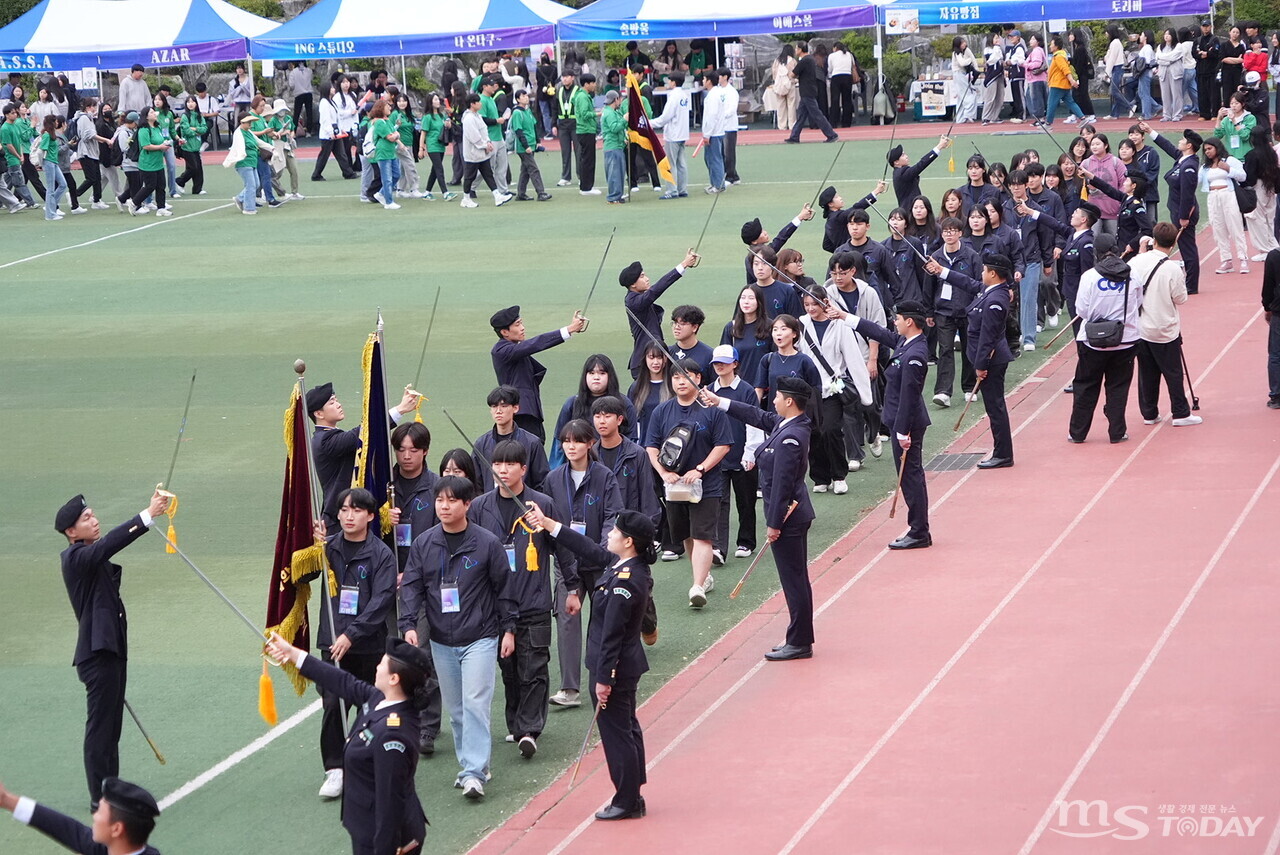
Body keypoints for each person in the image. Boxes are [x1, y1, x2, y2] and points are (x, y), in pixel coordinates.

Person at [524, 504, 653, 820]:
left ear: (629, 541)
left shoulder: (627, 580)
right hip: (621, 665)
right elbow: (588, 549)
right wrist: (550, 524)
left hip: (614, 668)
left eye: (616, 532)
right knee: (626, 727)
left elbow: (612, 635)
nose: (610, 534)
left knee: (617, 733)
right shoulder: (622, 564)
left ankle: (626, 799)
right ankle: (632, 792)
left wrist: (604, 679)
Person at [399, 476, 515, 799]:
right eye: (440, 500)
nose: (444, 506)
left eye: (452, 501)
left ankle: (474, 772)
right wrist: (408, 624)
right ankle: (474, 764)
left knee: (476, 702)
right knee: (457, 708)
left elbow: (504, 588)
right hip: (440, 639)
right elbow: (411, 587)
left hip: (480, 636)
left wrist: (509, 629)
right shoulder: (424, 544)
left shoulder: (487, 543)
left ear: (467, 505)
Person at [55, 488, 171, 808]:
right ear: (70, 532)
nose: (94, 521)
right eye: (86, 518)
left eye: (92, 515)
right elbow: (108, 545)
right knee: (100, 730)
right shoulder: (76, 558)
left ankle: (112, 791)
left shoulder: (90, 557)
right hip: (97, 655)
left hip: (111, 651)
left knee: (111, 729)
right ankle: (100, 799)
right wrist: (147, 516)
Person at [267, 633, 429, 852]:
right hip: (367, 827)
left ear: (394, 679)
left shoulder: (393, 735)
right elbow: (343, 681)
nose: (377, 667)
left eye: (382, 664)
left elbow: (389, 805)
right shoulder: (381, 701)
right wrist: (292, 654)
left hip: (384, 839)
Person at [699, 373, 817, 657]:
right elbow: (756, 415)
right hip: (789, 515)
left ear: (789, 401)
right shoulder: (787, 424)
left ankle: (799, 641)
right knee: (795, 578)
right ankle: (799, 636)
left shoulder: (791, 437)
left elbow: (782, 486)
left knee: (794, 580)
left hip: (787, 517)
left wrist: (773, 524)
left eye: (777, 397)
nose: (773, 400)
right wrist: (720, 402)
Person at [467, 440, 571, 758]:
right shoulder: (480, 507)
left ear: (523, 469)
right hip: (495, 605)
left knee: (534, 665)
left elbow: (561, 547)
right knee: (508, 669)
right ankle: (516, 723)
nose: (502, 470)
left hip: (534, 600)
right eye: (498, 465)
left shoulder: (541, 505)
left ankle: (529, 729)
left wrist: (574, 586)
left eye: (510, 465)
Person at [314, 488, 397, 800]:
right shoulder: (328, 548)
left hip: (366, 645)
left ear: (371, 516)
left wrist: (353, 634)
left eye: (357, 510)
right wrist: (312, 546)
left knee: (369, 706)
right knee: (333, 704)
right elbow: (300, 573)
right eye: (344, 510)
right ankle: (335, 768)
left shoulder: (381, 555)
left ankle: (365, 762)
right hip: (332, 642)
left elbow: (382, 601)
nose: (349, 516)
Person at [544, 419, 623, 707]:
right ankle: (569, 689)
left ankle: (605, 679)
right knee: (566, 621)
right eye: (566, 441)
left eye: (577, 441)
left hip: (599, 563)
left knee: (602, 623)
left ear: (590, 443)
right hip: (566, 562)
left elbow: (614, 515)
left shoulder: (604, 476)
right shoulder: (553, 479)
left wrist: (602, 549)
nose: (570, 446)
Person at [841, 301, 933, 549]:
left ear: (909, 322)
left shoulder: (915, 354)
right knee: (910, 476)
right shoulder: (907, 342)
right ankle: (918, 528)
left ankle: (919, 531)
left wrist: (903, 431)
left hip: (907, 425)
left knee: (910, 477)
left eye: (898, 318)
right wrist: (846, 317)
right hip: (901, 422)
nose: (895, 322)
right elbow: (879, 333)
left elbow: (909, 397)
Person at [645, 359, 732, 606]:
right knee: (687, 534)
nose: (681, 381)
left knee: (703, 535)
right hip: (676, 487)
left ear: (698, 379)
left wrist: (701, 469)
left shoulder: (712, 410)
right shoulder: (661, 412)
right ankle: (703, 576)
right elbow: (651, 447)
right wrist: (664, 473)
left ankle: (697, 586)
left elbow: (723, 445)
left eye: (687, 376)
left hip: (708, 485)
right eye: (676, 377)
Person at [385, 422, 443, 756]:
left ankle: (427, 726)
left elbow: (439, 540)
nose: (406, 456)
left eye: (413, 450)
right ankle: (399, 720)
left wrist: (410, 573)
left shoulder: (436, 488)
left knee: (420, 654)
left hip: (421, 586)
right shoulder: (384, 486)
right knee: (393, 657)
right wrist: (382, 518)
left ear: (424, 451)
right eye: (401, 449)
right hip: (385, 586)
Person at [929, 254, 1016, 466]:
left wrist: (980, 366)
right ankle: (1001, 451)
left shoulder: (996, 299)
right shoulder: (990, 290)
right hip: (988, 358)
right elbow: (968, 283)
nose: (981, 273)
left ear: (993, 274)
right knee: (993, 407)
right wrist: (942, 271)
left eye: (985, 270)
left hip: (991, 361)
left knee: (995, 407)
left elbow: (988, 336)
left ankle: (1003, 454)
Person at [306, 382, 418, 531]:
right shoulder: (325, 441)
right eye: (332, 403)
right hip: (340, 523)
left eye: (337, 400)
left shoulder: (327, 437)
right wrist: (400, 409)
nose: (338, 405)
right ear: (319, 414)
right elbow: (364, 433)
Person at [1068, 233, 1140, 442]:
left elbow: (1081, 310)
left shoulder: (1090, 276)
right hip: (1125, 339)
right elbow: (1138, 302)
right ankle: (1117, 432)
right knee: (1118, 387)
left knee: (1085, 387)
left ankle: (1078, 433)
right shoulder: (1132, 275)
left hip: (1093, 342)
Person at [798, 286, 871, 492]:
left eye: (815, 304)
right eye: (807, 305)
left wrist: (865, 394)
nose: (811, 309)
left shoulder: (839, 326)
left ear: (825, 302)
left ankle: (839, 475)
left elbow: (853, 358)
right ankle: (821, 478)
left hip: (833, 388)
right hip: (810, 391)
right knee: (814, 433)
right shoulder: (801, 325)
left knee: (831, 430)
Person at [1131, 222, 1199, 427]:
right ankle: (1180, 412)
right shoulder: (1172, 268)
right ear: (1173, 242)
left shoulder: (1136, 262)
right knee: (1173, 372)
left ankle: (1149, 413)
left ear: (1154, 239)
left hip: (1141, 327)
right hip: (1164, 328)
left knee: (1147, 372)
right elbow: (1181, 299)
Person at [490, 306, 587, 443]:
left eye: (521, 323)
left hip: (530, 412)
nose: (523, 328)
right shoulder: (501, 350)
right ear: (505, 332)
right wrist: (569, 329)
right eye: (518, 325)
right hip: (522, 414)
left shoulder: (514, 349)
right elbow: (535, 344)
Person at [702, 346, 763, 563]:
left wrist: (750, 453)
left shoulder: (746, 390)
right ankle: (718, 548)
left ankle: (746, 542)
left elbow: (754, 421)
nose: (720, 366)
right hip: (717, 457)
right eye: (717, 363)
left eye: (725, 362)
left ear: (735, 364)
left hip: (742, 453)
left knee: (745, 501)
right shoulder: (708, 390)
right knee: (718, 503)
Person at [0, 775, 161, 854]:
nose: (95, 816)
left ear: (117, 829)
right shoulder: (111, 849)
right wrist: (6, 800)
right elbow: (65, 828)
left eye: (100, 811)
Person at [620, 252, 698, 379]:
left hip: (651, 358)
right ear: (633, 284)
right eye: (642, 276)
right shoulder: (633, 301)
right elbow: (656, 289)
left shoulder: (638, 298)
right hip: (644, 363)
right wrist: (683, 265)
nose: (647, 279)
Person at [1145, 123, 1203, 293]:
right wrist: (1150, 131)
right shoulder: (1183, 159)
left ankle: (1191, 285)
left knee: (1188, 248)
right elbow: (1168, 147)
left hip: (1183, 214)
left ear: (1189, 145)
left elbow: (1187, 193)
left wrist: (1184, 216)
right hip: (1177, 210)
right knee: (1185, 247)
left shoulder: (1189, 166)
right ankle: (1189, 282)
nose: (1179, 141)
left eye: (1183, 140)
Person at [473, 386, 550, 493]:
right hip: (490, 507)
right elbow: (476, 484)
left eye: (504, 406)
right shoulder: (481, 444)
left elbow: (542, 483)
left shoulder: (532, 443)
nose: (498, 411)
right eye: (494, 406)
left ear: (515, 408)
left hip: (524, 506)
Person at [1199, 134, 1250, 275]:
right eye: (1205, 150)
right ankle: (1226, 260)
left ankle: (1243, 258)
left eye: (1210, 148)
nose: (1208, 152)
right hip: (1213, 197)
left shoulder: (1230, 160)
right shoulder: (1205, 167)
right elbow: (1197, 180)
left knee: (1235, 226)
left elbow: (1243, 176)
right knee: (1218, 228)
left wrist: (1228, 169)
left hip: (1228, 193)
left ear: (1217, 148)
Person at [741, 205, 815, 284]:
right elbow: (782, 237)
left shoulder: (759, 253)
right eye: (761, 233)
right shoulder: (754, 257)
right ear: (754, 241)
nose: (765, 233)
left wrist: (800, 217)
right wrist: (800, 217)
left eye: (763, 230)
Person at [785, 42, 839, 144]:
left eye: (796, 48)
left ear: (800, 49)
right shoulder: (810, 59)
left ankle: (831, 134)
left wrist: (788, 72)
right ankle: (794, 136)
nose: (795, 50)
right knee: (801, 115)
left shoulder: (804, 61)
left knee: (817, 114)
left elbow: (792, 74)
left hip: (807, 91)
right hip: (809, 90)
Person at [651, 72, 691, 199]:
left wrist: (649, 123)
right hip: (683, 133)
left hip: (673, 134)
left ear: (673, 82)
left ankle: (672, 190)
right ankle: (682, 189)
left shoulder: (673, 96)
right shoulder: (684, 95)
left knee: (670, 163)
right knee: (681, 163)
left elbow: (665, 118)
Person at [1244, 126, 1280, 261]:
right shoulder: (1271, 152)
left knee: (1256, 218)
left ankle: (1265, 250)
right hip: (1270, 187)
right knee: (1269, 218)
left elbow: (1250, 178)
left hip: (1258, 187)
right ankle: (1273, 246)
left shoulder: (1252, 155)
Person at [1082, 134, 1128, 237]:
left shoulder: (1116, 162)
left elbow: (1124, 183)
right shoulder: (1086, 163)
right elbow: (1081, 184)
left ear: (1106, 145)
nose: (1094, 146)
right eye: (1092, 144)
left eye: (1098, 144)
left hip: (1112, 210)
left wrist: (1120, 200)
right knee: (1093, 239)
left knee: (1114, 239)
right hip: (1093, 211)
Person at [127, 107, 168, 217]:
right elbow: (146, 146)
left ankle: (161, 208)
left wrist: (166, 144)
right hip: (147, 163)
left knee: (161, 185)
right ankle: (134, 202)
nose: (155, 113)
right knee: (150, 186)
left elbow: (161, 140)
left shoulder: (157, 127)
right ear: (146, 116)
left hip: (158, 161)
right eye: (151, 112)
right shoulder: (143, 130)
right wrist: (160, 146)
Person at [889, 135, 952, 207]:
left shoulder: (899, 172)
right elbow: (921, 164)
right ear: (896, 162)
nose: (906, 156)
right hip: (910, 211)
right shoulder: (902, 173)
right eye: (903, 155)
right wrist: (939, 146)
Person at [312, 80, 357, 181]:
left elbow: (337, 118)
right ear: (327, 89)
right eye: (331, 88)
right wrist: (330, 132)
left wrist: (340, 130)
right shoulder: (324, 103)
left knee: (341, 153)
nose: (334, 89)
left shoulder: (331, 101)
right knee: (324, 155)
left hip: (335, 133)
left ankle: (348, 173)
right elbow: (325, 119)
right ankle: (316, 174)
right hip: (328, 134)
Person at [510, 89, 549, 201]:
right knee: (533, 169)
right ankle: (541, 193)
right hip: (524, 147)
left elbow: (534, 126)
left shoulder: (528, 111)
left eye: (526, 95)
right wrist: (526, 146)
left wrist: (537, 142)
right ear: (518, 99)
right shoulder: (517, 113)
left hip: (531, 145)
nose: (526, 97)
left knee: (526, 170)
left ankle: (521, 193)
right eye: (523, 96)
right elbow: (518, 131)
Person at [1044, 35, 1086, 127]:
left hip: (1058, 84)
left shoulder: (1058, 57)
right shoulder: (1062, 55)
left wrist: (1071, 80)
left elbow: (1065, 69)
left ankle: (1048, 123)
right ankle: (1082, 118)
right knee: (1070, 102)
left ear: (1056, 46)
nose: (1050, 46)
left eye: (1051, 44)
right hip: (1064, 84)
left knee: (1051, 103)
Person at [268, 99, 302, 201]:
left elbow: (292, 131)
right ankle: (264, 189)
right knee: (278, 172)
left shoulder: (288, 118)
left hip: (288, 147)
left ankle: (294, 192)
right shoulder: (273, 120)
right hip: (279, 147)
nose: (282, 111)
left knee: (294, 170)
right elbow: (271, 135)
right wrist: (282, 133)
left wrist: (290, 136)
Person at [572, 74, 599, 195]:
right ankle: (587, 187)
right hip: (586, 130)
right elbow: (584, 114)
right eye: (593, 83)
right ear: (586, 84)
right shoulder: (583, 97)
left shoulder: (582, 95)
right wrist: (597, 114)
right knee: (588, 160)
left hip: (585, 130)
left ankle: (586, 186)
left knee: (586, 159)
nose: (594, 85)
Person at [175, 94, 206, 195]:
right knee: (193, 167)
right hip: (187, 146)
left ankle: (197, 189)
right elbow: (186, 131)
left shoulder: (199, 116)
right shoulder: (185, 116)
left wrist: (195, 129)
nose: (191, 104)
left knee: (198, 168)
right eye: (188, 102)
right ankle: (180, 181)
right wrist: (197, 131)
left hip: (196, 146)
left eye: (193, 102)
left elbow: (204, 128)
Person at [37, 115, 66, 220]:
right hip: (48, 162)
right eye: (56, 121)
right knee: (50, 188)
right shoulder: (47, 135)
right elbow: (41, 151)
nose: (57, 123)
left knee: (63, 184)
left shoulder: (52, 134)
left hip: (54, 162)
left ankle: (51, 207)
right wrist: (41, 164)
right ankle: (50, 214)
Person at [1262, 247, 1280, 409]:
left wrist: (1267, 307)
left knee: (1275, 353)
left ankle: (1276, 395)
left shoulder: (1274, 256)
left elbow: (1268, 285)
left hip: (1279, 312)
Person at [1103, 25, 1133, 120]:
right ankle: (1114, 113)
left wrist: (1107, 73)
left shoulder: (1115, 43)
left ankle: (1130, 106)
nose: (1106, 33)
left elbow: (1111, 59)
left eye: (1107, 31)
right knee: (1115, 91)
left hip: (1117, 68)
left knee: (1114, 91)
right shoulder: (1115, 43)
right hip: (1116, 68)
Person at [554, 70, 578, 187]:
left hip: (576, 124)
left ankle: (581, 176)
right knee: (565, 152)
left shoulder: (578, 91)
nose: (564, 79)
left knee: (579, 152)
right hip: (563, 125)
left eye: (567, 77)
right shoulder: (559, 91)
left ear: (572, 78)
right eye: (563, 77)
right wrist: (554, 124)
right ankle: (565, 177)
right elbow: (554, 108)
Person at [1156, 29, 1186, 122]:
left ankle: (1177, 114)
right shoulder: (1160, 47)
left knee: (1176, 94)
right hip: (1163, 73)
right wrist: (1167, 60)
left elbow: (1173, 57)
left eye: (1168, 34)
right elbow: (1157, 58)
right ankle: (1167, 115)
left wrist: (1164, 58)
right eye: (1165, 34)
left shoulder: (1178, 46)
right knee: (1165, 95)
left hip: (1175, 73)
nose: (1166, 36)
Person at [768, 44, 798, 130]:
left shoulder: (777, 61)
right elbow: (795, 74)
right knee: (791, 105)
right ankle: (792, 125)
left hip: (779, 86)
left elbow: (774, 74)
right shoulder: (792, 61)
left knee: (780, 106)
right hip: (790, 85)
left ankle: (782, 126)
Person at [952, 36, 980, 124]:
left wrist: (976, 69)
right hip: (958, 74)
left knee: (962, 96)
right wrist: (969, 60)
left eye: (965, 42)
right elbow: (962, 63)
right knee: (968, 94)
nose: (965, 44)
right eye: (962, 42)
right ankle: (968, 114)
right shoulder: (957, 53)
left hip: (963, 74)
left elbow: (973, 58)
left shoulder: (966, 50)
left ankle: (960, 118)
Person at [982, 32, 1007, 125]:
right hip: (992, 76)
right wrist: (996, 48)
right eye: (996, 38)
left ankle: (995, 116)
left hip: (1000, 75)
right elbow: (991, 60)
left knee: (1000, 97)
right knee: (990, 97)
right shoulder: (988, 50)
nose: (998, 40)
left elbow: (1000, 60)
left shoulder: (999, 49)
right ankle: (985, 117)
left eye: (998, 38)